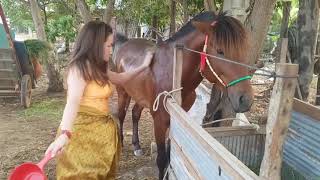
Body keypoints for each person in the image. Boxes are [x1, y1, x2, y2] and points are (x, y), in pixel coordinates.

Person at [45, 20, 153, 179]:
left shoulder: (99, 67)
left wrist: (144, 65)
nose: (111, 50)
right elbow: (72, 102)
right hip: (81, 135)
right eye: (109, 45)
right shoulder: (79, 68)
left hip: (100, 134)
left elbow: (122, 78)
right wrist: (65, 134)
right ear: (96, 44)